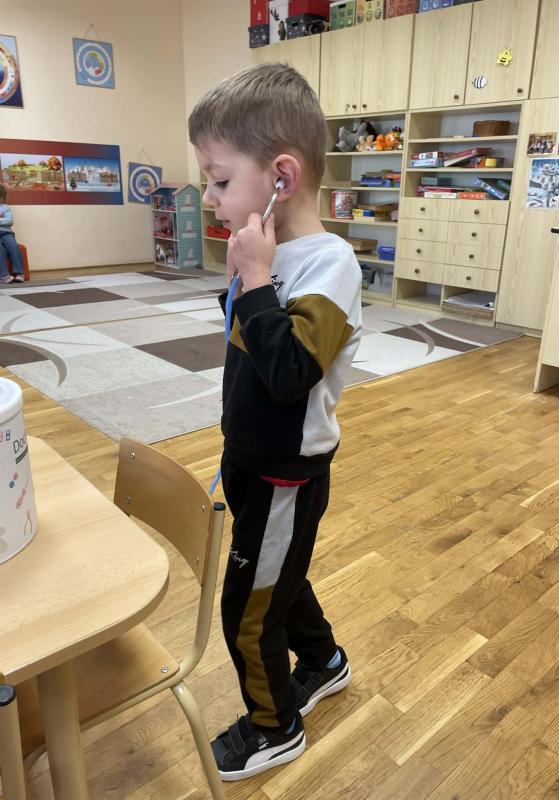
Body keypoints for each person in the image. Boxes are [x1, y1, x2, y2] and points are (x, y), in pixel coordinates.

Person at [188, 63, 362, 781]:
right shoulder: (271, 254)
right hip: (250, 460)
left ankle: (274, 725)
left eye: (220, 180)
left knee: (247, 611)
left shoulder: (330, 265)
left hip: (286, 474)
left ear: (281, 178)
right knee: (276, 581)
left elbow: (291, 374)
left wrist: (257, 280)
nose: (209, 196)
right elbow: (249, 351)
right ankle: (323, 661)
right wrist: (248, 279)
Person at [0, 184, 25, 284]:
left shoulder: (5, 207)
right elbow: (6, 220)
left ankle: (19, 273)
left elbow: (10, 221)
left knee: (14, 246)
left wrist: (4, 220)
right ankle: (4, 275)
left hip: (6, 232)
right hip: (4, 229)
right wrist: (2, 219)